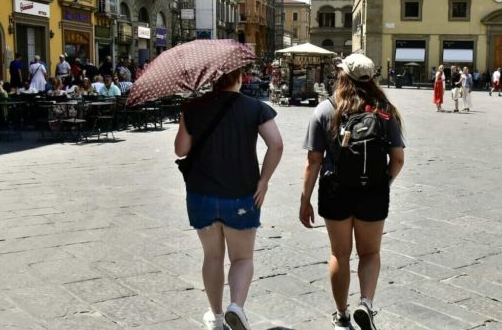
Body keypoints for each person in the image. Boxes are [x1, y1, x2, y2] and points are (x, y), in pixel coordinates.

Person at [300, 54, 405, 330]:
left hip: (336, 190)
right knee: (370, 254)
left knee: (340, 254)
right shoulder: (384, 110)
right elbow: (398, 160)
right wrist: (383, 183)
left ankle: (342, 315)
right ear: (371, 78)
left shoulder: (326, 109)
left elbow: (313, 161)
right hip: (373, 191)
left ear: (342, 76)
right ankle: (366, 304)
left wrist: (305, 200)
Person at [174, 68, 283, 330]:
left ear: (212, 79)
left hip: (201, 194)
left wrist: (185, 118)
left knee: (212, 257)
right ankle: (236, 306)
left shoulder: (193, 107)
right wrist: (264, 181)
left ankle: (216, 316)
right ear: (240, 77)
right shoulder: (255, 107)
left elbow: (180, 149)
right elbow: (276, 144)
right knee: (242, 258)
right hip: (243, 194)